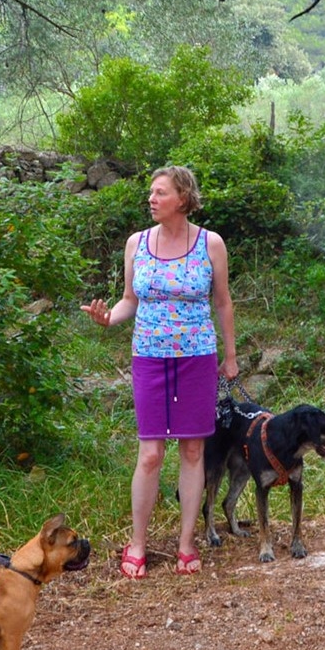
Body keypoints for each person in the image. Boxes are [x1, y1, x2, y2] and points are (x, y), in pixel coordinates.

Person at [84, 166, 238, 578]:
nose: (151, 199)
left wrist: (231, 355)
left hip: (197, 357)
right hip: (149, 357)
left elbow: (222, 302)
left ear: (183, 198)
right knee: (150, 454)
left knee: (192, 451)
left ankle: (187, 544)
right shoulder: (137, 243)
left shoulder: (211, 244)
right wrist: (108, 319)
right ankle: (137, 544)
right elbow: (129, 300)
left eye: (160, 193)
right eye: (151, 193)